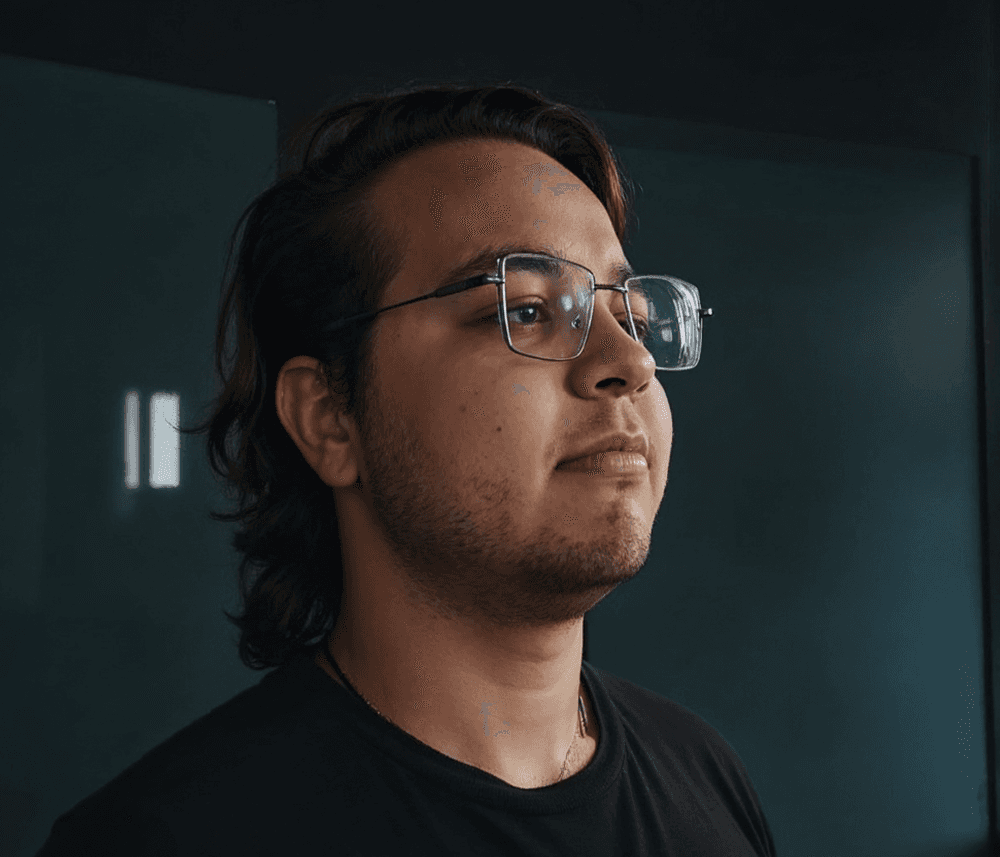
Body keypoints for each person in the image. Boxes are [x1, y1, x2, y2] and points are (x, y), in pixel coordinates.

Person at [36, 82, 776, 855]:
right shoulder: (165, 838)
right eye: (525, 309)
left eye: (632, 316)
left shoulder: (703, 775)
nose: (630, 362)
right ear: (329, 416)